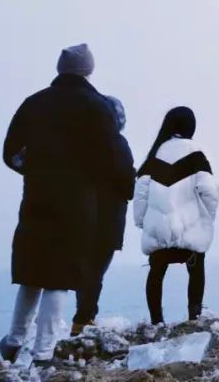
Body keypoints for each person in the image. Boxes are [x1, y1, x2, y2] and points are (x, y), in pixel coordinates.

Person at [0, 44, 121, 365]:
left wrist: (33, 168)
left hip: (36, 196)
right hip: (77, 203)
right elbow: (110, 159)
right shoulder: (97, 107)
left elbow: (10, 152)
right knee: (60, 277)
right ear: (88, 70)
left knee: (32, 272)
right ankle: (43, 353)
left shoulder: (34, 103)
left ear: (60, 69)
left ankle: (13, 341)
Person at [133, 106, 219, 325]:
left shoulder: (154, 155)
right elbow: (209, 191)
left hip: (159, 231)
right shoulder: (196, 153)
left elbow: (141, 193)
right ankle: (194, 317)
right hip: (189, 230)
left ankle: (156, 321)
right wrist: (206, 220)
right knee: (196, 269)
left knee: (156, 272)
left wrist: (142, 222)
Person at [73, 95, 136, 335]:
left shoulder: (79, 143)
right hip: (108, 216)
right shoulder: (118, 144)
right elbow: (128, 186)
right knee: (96, 270)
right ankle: (84, 319)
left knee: (84, 268)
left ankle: (81, 317)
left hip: (79, 214)